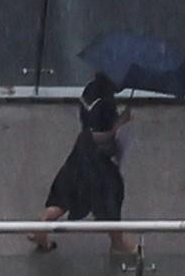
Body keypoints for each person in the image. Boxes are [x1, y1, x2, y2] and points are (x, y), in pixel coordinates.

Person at [33, 72, 139, 257]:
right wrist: (120, 122)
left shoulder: (90, 90)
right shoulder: (106, 103)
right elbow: (99, 135)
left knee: (66, 194)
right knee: (111, 198)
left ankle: (40, 229)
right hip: (97, 160)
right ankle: (117, 242)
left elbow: (87, 126)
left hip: (81, 151)